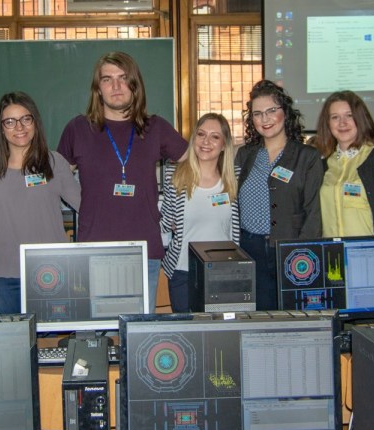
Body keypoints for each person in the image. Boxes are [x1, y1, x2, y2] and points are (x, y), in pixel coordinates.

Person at [57, 51, 188, 314]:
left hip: (143, 251)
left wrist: (177, 210)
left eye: (123, 78)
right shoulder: (78, 129)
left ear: (134, 85)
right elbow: (54, 177)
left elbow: (195, 165)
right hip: (93, 250)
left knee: (138, 337)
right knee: (93, 335)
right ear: (98, 89)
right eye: (107, 79)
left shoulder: (155, 127)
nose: (116, 86)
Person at [0, 92, 81, 314]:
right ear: (1, 128)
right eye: (10, 121)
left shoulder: (54, 162)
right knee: (14, 345)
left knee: (51, 341)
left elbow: (85, 207)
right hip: (3, 277)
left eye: (26, 119)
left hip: (50, 272)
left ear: (35, 122)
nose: (19, 127)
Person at [235, 80, 323, 311]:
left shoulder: (307, 157)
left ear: (285, 113)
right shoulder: (245, 156)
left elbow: (313, 213)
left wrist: (303, 254)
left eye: (271, 111)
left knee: (291, 316)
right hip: (249, 250)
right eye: (257, 113)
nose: (265, 119)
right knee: (258, 318)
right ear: (251, 120)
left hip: (290, 250)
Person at [159, 113, 240, 312]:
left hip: (224, 273)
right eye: (201, 134)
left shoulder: (235, 177)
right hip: (183, 272)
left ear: (224, 144)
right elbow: (164, 224)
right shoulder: (174, 175)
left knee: (221, 338)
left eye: (215, 136)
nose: (206, 141)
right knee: (187, 336)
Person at [314, 90, 374, 237]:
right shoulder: (324, 165)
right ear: (328, 124)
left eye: (349, 115)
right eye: (335, 117)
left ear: (360, 119)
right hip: (332, 255)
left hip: (368, 254)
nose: (342, 123)